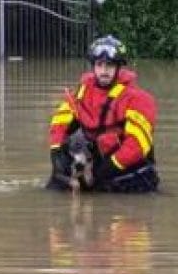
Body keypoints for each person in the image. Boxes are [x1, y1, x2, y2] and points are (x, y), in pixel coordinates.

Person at [46, 35, 160, 192]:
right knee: (55, 186)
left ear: (119, 67)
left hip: (129, 172)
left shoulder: (139, 99)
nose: (104, 71)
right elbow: (60, 122)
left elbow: (137, 145)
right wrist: (56, 153)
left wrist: (105, 170)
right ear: (93, 67)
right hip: (95, 166)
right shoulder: (81, 91)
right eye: (99, 65)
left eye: (109, 66)